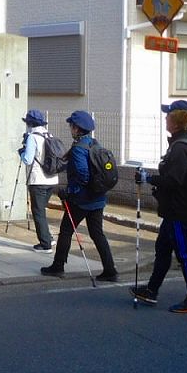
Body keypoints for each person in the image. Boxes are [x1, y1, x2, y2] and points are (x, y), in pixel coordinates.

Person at [131, 100, 187, 313]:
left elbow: (174, 181)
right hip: (175, 211)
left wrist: (149, 178)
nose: (165, 118)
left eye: (168, 115)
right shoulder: (184, 144)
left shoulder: (181, 148)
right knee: (163, 249)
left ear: (177, 120)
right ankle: (151, 290)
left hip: (179, 212)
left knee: (185, 254)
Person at [41, 110, 118, 282]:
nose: (70, 128)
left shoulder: (78, 149)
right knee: (97, 233)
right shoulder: (94, 144)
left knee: (66, 231)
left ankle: (58, 266)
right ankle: (110, 270)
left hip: (82, 200)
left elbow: (82, 175)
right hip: (98, 198)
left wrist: (69, 192)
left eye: (71, 126)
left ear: (76, 128)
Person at [19, 109, 60, 252]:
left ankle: (45, 244)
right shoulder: (49, 134)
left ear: (29, 123)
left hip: (38, 179)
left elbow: (27, 159)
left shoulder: (32, 137)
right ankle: (48, 238)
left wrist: (21, 152)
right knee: (41, 210)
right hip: (52, 178)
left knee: (38, 211)